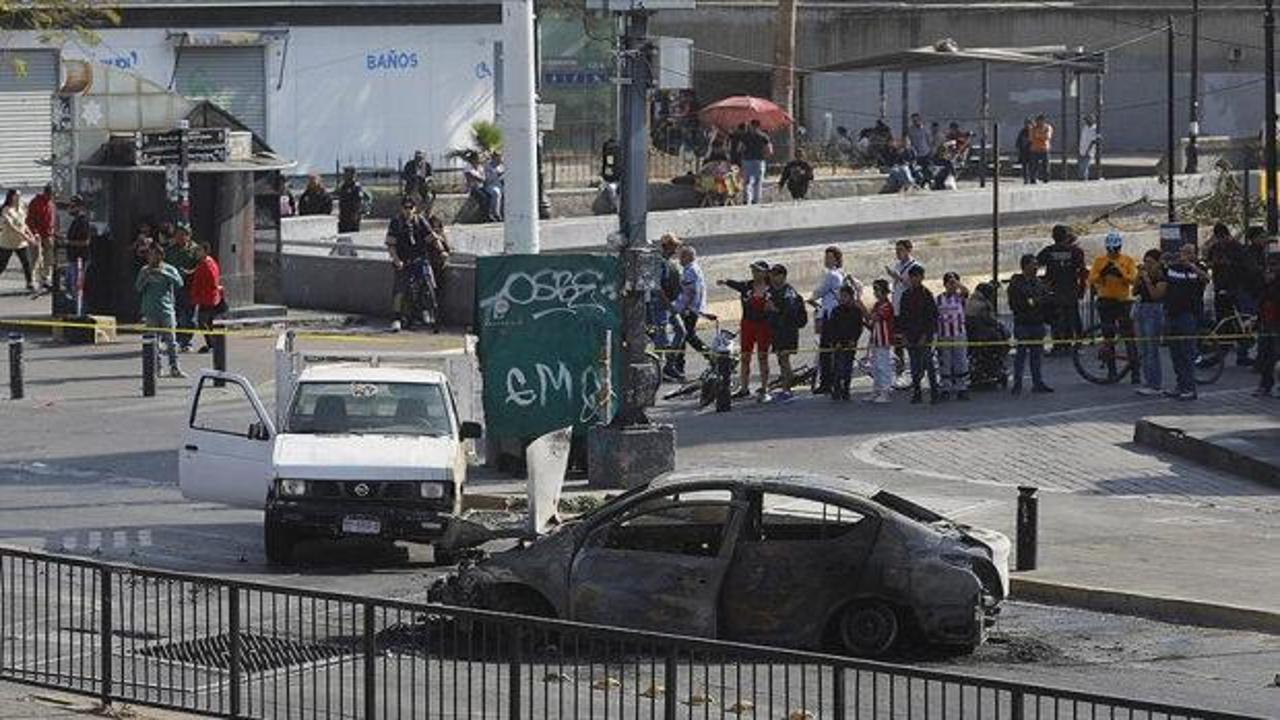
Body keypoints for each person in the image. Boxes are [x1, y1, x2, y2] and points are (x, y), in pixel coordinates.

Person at [1087, 231, 1139, 383]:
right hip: (1105, 301)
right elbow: (1091, 279)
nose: (1113, 253)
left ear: (1120, 247)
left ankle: (1135, 372)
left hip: (1123, 301)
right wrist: (1103, 273)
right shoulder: (1100, 260)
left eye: (1115, 249)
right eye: (1110, 250)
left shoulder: (1127, 260)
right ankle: (1112, 372)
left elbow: (1133, 279)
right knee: (1108, 337)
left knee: (1129, 336)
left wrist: (1120, 272)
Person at [720, 260, 774, 400]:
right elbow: (735, 284)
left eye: (758, 270)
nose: (755, 273)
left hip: (764, 326)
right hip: (748, 324)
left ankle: (764, 387)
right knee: (745, 357)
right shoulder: (747, 286)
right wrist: (725, 281)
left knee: (763, 357)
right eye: (753, 270)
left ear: (765, 273)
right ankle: (744, 388)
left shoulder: (771, 288)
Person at [1162, 243, 1209, 400]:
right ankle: (1180, 385)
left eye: (1189, 252)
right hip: (1172, 313)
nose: (1185, 255)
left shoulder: (1198, 268)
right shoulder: (1174, 268)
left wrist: (1190, 265)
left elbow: (1206, 278)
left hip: (1188, 315)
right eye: (1183, 252)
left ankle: (1189, 388)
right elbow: (1161, 274)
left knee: (1187, 353)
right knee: (1175, 353)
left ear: (1195, 254)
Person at [1202, 223, 1253, 366]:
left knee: (1240, 320)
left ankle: (1242, 353)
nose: (1220, 241)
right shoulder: (1215, 247)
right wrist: (1213, 263)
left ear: (1226, 235)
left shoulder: (1238, 248)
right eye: (1218, 239)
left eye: (1222, 238)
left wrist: (1229, 263)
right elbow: (1208, 262)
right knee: (1223, 321)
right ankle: (1222, 351)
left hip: (1236, 288)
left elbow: (1245, 267)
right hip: (1220, 287)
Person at [134, 244, 185, 378]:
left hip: (166, 310)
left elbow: (180, 283)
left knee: (171, 341)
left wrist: (165, 273)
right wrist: (146, 278)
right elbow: (138, 287)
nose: (152, 258)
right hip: (150, 310)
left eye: (155, 254)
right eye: (150, 255)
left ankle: (174, 367)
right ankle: (157, 368)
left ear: (161, 256)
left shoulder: (169, 269)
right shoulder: (144, 270)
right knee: (153, 341)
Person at [1037, 225, 1087, 354]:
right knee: (1074, 318)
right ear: (1067, 236)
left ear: (1053, 237)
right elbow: (1082, 272)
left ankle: (1058, 345)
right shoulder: (1076, 252)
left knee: (1056, 319)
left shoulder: (1048, 251)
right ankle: (1075, 345)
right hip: (1071, 291)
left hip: (1054, 292)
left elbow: (1035, 263)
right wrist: (1082, 289)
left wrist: (1042, 285)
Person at [1008, 253, 1053, 395]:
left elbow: (1045, 299)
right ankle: (1017, 384)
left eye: (1036, 265)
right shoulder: (1016, 284)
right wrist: (1033, 301)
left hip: (1037, 322)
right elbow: (1017, 304)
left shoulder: (1039, 283)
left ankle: (1037, 383)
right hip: (1023, 323)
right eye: (1032, 264)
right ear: (1025, 266)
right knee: (1020, 355)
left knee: (1036, 355)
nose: (1035, 267)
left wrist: (1034, 301)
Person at [385, 198, 431, 332]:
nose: (408, 210)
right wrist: (396, 260)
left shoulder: (420, 220)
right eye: (406, 207)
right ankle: (396, 318)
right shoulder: (396, 223)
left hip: (418, 257)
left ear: (415, 209)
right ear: (401, 208)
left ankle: (424, 310)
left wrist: (441, 247)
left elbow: (429, 236)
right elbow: (391, 244)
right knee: (399, 289)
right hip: (403, 259)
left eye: (411, 207)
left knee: (425, 283)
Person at [897, 264, 939, 404]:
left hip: (924, 336)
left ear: (922, 277)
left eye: (917, 277)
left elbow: (932, 317)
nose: (914, 279)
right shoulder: (906, 295)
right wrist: (903, 335)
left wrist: (926, 335)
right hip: (910, 335)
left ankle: (934, 392)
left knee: (928, 364)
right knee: (914, 366)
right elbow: (902, 317)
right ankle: (917, 392)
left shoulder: (927, 294)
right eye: (912, 277)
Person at [811, 246, 849, 394]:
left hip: (830, 316)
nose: (826, 260)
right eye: (825, 257)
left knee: (826, 351)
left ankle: (827, 383)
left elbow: (818, 292)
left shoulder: (831, 275)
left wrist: (812, 299)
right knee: (834, 350)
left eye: (829, 257)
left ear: (836, 259)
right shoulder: (841, 274)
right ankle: (835, 381)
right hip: (837, 315)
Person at [766, 264, 806, 400]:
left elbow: (790, 313)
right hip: (776, 330)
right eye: (771, 274)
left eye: (774, 274)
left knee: (784, 359)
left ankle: (787, 389)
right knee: (781, 359)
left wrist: (774, 309)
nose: (771, 277)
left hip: (787, 330)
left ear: (782, 276)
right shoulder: (771, 290)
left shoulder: (789, 292)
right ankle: (786, 386)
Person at [1133, 248, 1168, 397]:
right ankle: (1147, 381)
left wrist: (1147, 280)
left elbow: (1156, 295)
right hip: (1141, 308)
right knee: (1143, 349)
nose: (1147, 265)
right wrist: (1138, 276)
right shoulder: (1143, 274)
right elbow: (1134, 291)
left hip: (1153, 310)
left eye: (1150, 262)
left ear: (1158, 263)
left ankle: (1155, 384)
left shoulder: (1161, 277)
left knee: (1151, 349)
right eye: (1145, 262)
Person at [671, 245, 709, 379]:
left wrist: (685, 308)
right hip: (690, 308)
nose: (679, 259)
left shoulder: (691, 270)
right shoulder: (691, 269)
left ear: (688, 257)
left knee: (688, 336)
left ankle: (711, 357)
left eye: (682, 256)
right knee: (685, 336)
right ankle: (679, 365)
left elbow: (692, 291)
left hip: (689, 309)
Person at [886, 239, 919, 377]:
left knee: (910, 341)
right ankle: (900, 370)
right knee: (897, 341)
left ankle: (915, 371)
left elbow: (913, 286)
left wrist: (897, 277)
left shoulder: (915, 266)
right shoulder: (898, 265)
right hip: (897, 309)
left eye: (900, 250)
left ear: (908, 250)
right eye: (896, 250)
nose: (897, 253)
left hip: (908, 311)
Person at [164, 225, 200, 352]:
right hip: (174, 287)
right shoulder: (170, 250)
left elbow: (201, 266)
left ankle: (187, 341)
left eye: (182, 235)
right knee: (175, 315)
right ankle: (176, 340)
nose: (179, 238)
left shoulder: (195, 250)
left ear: (188, 236)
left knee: (189, 317)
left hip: (190, 288)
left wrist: (189, 272)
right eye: (177, 235)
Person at [825, 285, 863, 401]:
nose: (842, 298)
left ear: (851, 297)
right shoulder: (836, 311)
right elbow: (832, 327)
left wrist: (853, 340)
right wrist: (835, 341)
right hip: (838, 343)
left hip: (850, 343)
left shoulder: (856, 311)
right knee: (837, 367)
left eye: (845, 296)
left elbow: (858, 328)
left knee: (847, 367)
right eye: (841, 296)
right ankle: (836, 388)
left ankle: (846, 389)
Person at [936, 271, 970, 400]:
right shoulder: (939, 299)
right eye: (949, 283)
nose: (952, 286)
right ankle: (946, 388)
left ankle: (962, 388)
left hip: (958, 334)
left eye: (953, 283)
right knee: (945, 362)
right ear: (944, 284)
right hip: (944, 335)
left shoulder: (960, 298)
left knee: (960, 361)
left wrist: (957, 283)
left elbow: (966, 292)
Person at [861, 279, 895, 404]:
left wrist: (860, 304)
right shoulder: (877, 305)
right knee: (875, 367)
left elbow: (873, 317)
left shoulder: (886, 306)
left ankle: (885, 391)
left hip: (884, 340)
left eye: (878, 290)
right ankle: (876, 390)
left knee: (883, 366)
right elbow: (871, 322)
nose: (876, 293)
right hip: (876, 339)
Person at [655, 234, 684, 379]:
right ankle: (659, 371)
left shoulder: (670, 262)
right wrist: (668, 304)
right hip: (660, 305)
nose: (677, 248)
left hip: (670, 303)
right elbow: (657, 286)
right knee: (661, 338)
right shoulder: (660, 262)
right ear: (667, 246)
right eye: (675, 245)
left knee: (681, 331)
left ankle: (669, 365)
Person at [189, 241, 224, 353]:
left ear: (205, 251)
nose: (197, 252)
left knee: (202, 321)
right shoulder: (205, 263)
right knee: (207, 322)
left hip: (207, 298)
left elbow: (212, 280)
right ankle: (212, 344)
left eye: (199, 250)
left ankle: (212, 344)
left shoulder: (207, 264)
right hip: (207, 296)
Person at [1255, 246, 1279, 397]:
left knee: (1277, 355)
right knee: (1265, 355)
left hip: (1277, 323)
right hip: (1266, 321)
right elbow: (1261, 300)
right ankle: (1265, 385)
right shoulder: (1266, 282)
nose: (1270, 269)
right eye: (1269, 265)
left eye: (1274, 265)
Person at [0, 190, 35, 292]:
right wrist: (26, 237)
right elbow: (12, 226)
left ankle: (30, 283)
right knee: (2, 264)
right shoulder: (6, 209)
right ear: (11, 196)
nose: (19, 197)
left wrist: (31, 235)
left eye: (20, 195)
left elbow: (24, 224)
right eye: (17, 195)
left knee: (27, 262)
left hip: (21, 242)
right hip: (7, 242)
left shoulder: (22, 207)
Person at [26, 184, 56, 289]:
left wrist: (53, 230)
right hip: (37, 235)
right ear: (47, 193)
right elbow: (30, 219)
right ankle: (32, 280)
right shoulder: (35, 202)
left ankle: (46, 279)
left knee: (49, 258)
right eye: (52, 194)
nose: (53, 197)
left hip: (48, 235)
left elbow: (52, 218)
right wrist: (34, 233)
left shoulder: (51, 203)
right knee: (35, 258)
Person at [739, 120, 773, 205]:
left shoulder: (745, 136)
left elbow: (740, 148)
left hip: (747, 160)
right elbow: (770, 150)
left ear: (751, 126)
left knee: (747, 181)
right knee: (758, 181)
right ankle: (756, 200)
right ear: (759, 126)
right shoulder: (764, 136)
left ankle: (746, 199)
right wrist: (764, 156)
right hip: (759, 160)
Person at [425, 215, 452, 321]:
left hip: (440, 266)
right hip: (429, 265)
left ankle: (437, 315)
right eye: (433, 227)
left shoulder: (442, 236)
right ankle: (429, 313)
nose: (436, 229)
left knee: (439, 291)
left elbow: (448, 249)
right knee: (429, 291)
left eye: (438, 227)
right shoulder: (427, 237)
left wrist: (441, 239)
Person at [336, 166, 368, 233]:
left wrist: (356, 214)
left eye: (347, 173)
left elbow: (359, 202)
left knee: (352, 236)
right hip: (343, 216)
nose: (344, 175)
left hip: (352, 217)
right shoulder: (343, 186)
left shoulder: (356, 187)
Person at [462, 151, 492, 221]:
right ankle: (484, 216)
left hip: (480, 186)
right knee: (483, 198)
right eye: (477, 158)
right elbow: (472, 177)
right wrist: (479, 178)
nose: (478, 159)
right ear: (473, 159)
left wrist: (480, 178)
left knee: (489, 196)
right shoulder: (468, 167)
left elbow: (483, 178)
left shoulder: (480, 167)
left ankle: (488, 215)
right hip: (472, 188)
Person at [1029, 114, 1054, 183]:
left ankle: (1046, 178)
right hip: (1034, 149)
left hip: (1044, 149)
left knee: (1045, 165)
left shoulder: (1048, 127)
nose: (1039, 122)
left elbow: (1047, 137)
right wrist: (1039, 135)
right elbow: (1031, 138)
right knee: (1034, 166)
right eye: (1038, 120)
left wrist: (1038, 135)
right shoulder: (1033, 128)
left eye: (1041, 120)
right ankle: (1033, 179)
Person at [600, 138, 621, 212]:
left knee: (612, 189)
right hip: (618, 177)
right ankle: (617, 206)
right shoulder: (615, 153)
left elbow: (609, 165)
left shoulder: (609, 155)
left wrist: (607, 177)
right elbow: (609, 165)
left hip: (613, 178)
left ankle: (616, 206)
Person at [1078, 115, 1100, 181]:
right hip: (1082, 150)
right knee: (1080, 167)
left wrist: (1088, 150)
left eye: (1087, 120)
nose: (1086, 121)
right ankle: (1081, 179)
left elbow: (1094, 141)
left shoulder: (1095, 128)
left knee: (1084, 167)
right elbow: (1082, 139)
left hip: (1089, 151)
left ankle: (1084, 180)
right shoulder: (1085, 127)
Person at [484, 152, 505, 221]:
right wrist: (497, 174)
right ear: (494, 158)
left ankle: (505, 213)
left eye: (501, 157)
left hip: (500, 184)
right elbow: (487, 179)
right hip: (490, 185)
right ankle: (495, 213)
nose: (500, 159)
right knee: (496, 192)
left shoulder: (502, 166)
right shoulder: (487, 166)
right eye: (498, 157)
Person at [1016, 117, 1035, 184]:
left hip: (1033, 151)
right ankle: (1026, 179)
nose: (1027, 125)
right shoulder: (1022, 131)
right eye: (1026, 123)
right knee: (1025, 166)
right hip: (1024, 151)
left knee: (1032, 166)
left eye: (1029, 123)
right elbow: (1018, 141)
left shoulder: (1034, 131)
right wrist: (1019, 148)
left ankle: (1033, 178)